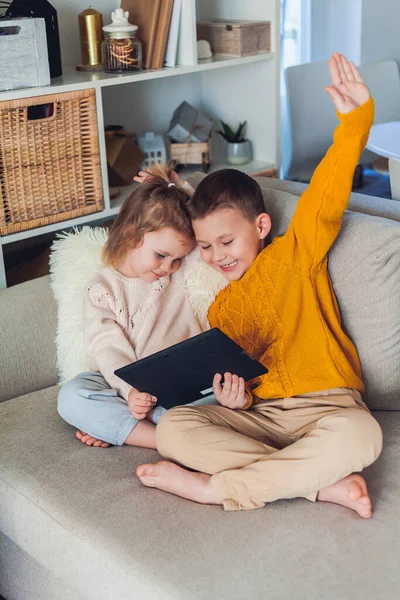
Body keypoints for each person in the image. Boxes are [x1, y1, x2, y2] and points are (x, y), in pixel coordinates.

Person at [136, 53, 383, 518]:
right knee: (174, 429)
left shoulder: (295, 255)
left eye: (226, 241)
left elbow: (326, 195)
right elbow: (245, 386)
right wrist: (238, 397)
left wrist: (355, 121)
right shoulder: (221, 309)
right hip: (261, 419)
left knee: (364, 436)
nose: (216, 256)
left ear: (263, 225)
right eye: (205, 247)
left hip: (328, 409)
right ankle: (316, 485)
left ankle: (219, 489)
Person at [58, 164, 216, 449]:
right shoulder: (102, 289)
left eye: (177, 259)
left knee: (217, 398)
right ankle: (156, 438)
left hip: (179, 388)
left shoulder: (177, 271)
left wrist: (182, 189)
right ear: (132, 234)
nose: (168, 267)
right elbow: (106, 349)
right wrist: (132, 393)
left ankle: (124, 429)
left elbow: (207, 226)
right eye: (160, 255)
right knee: (73, 395)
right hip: (125, 389)